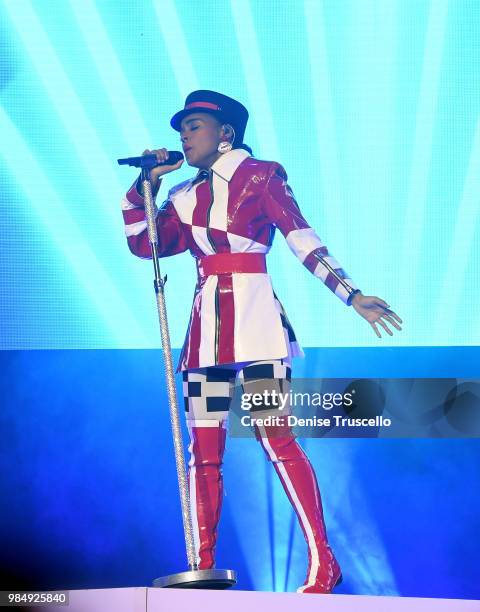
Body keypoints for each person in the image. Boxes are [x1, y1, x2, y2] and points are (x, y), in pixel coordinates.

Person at [120, 90, 402, 594]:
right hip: (206, 337)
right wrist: (143, 187)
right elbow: (148, 245)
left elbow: (301, 237)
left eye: (195, 126)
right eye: (182, 128)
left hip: (256, 331)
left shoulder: (260, 176)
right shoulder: (184, 194)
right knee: (203, 453)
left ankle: (323, 562)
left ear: (225, 132)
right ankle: (201, 564)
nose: (184, 136)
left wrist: (350, 293)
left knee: (276, 439)